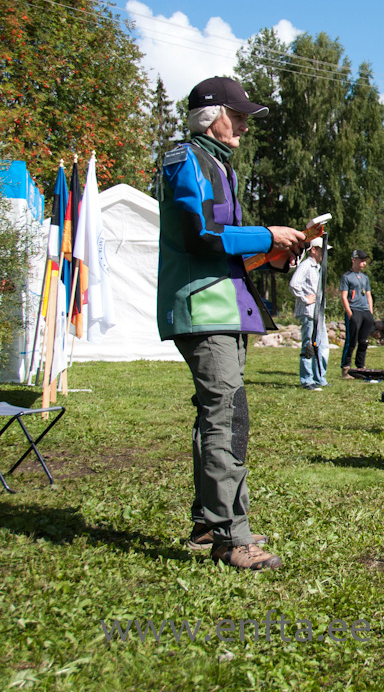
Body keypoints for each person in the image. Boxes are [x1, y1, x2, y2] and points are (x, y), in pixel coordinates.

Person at [157, 76, 306, 571]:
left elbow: (222, 255)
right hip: (204, 310)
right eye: (237, 113)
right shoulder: (187, 160)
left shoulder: (217, 164)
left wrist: (272, 254)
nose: (244, 122)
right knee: (226, 416)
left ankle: (208, 522)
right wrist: (266, 232)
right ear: (209, 116)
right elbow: (201, 234)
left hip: (221, 307)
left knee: (217, 414)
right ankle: (229, 536)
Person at [289, 236, 328, 390]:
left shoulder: (316, 267)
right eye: (322, 250)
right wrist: (305, 299)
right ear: (313, 250)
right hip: (309, 312)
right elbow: (294, 284)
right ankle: (307, 380)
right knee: (309, 346)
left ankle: (320, 378)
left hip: (318, 312)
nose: (324, 254)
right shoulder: (306, 265)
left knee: (321, 345)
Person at [340, 249, 375, 378]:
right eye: (361, 260)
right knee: (351, 341)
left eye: (365, 260)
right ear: (354, 260)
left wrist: (370, 312)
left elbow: (368, 295)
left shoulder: (365, 278)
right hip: (354, 310)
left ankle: (361, 367)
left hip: (365, 311)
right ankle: (345, 368)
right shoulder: (346, 277)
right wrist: (350, 314)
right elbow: (344, 296)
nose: (364, 263)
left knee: (363, 341)